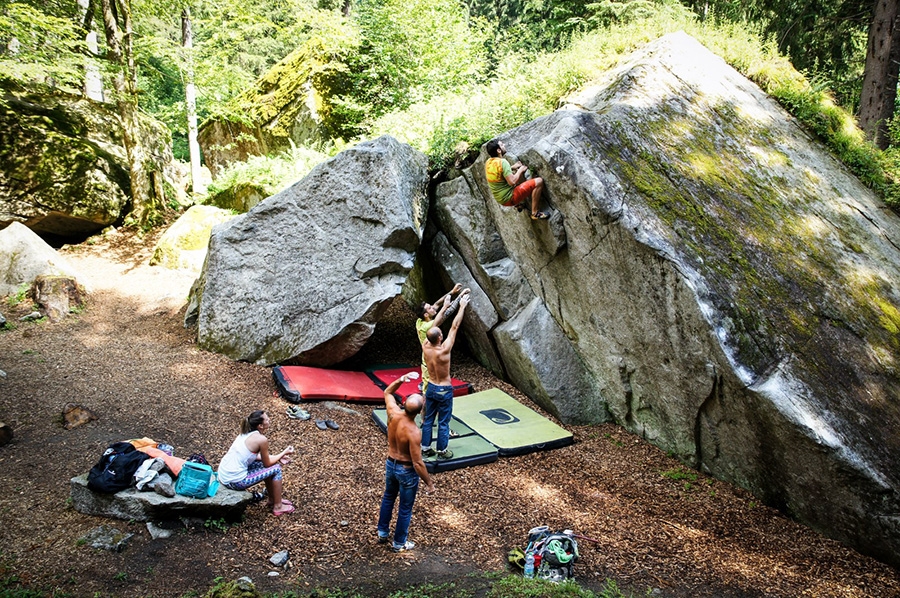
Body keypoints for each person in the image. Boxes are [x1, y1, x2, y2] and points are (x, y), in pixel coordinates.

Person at [376, 373, 435, 552]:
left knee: (388, 497)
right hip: (405, 470)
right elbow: (417, 463)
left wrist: (400, 380)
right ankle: (399, 542)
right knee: (405, 508)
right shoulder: (414, 432)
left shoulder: (393, 414)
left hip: (390, 464)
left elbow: (387, 392)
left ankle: (382, 532)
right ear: (418, 412)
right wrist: (429, 483)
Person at [217, 410, 295, 516]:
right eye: (267, 419)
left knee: (269, 466)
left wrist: (277, 457)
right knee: (276, 469)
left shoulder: (245, 433)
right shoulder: (261, 439)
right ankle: (278, 507)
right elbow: (267, 463)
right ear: (260, 426)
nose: (269, 420)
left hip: (224, 475)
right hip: (235, 481)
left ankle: (273, 499)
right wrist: (284, 452)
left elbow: (254, 456)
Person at [421, 294, 470, 459]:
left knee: (428, 420)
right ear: (440, 337)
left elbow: (434, 326)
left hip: (431, 387)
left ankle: (425, 448)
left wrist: (445, 306)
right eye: (441, 333)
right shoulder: (444, 350)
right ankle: (442, 451)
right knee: (443, 422)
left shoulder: (425, 346)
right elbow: (455, 326)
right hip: (444, 389)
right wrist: (462, 306)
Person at [415, 283, 469, 393]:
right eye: (429, 308)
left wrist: (452, 292)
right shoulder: (428, 326)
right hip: (429, 360)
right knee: (428, 389)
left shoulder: (419, 321)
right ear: (426, 314)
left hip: (427, 355)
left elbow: (436, 304)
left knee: (431, 386)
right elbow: (448, 313)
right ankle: (425, 405)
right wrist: (460, 299)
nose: (433, 307)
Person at [485, 138, 548, 220]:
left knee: (516, 177)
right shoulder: (503, 162)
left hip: (500, 199)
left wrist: (512, 167)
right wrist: (520, 170)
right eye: (502, 145)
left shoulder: (489, 162)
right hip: (510, 198)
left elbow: (499, 173)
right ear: (499, 150)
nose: (504, 145)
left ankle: (519, 204)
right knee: (539, 181)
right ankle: (535, 213)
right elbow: (512, 182)